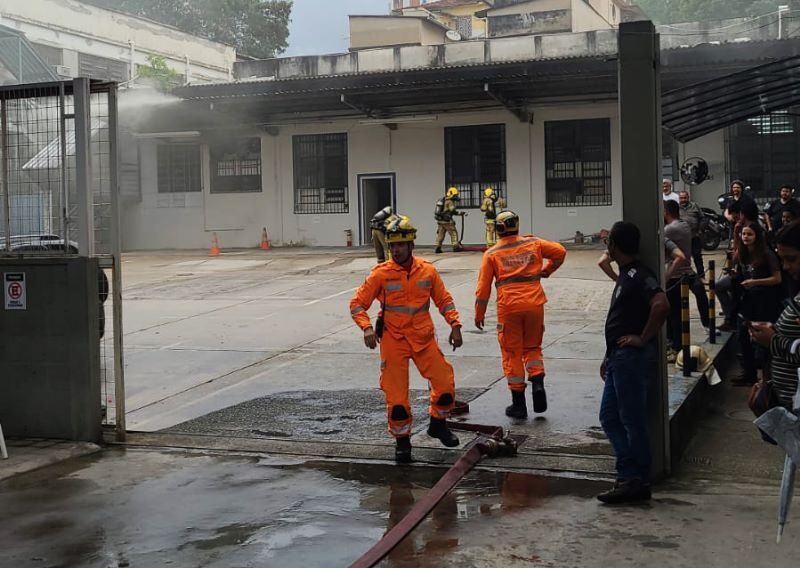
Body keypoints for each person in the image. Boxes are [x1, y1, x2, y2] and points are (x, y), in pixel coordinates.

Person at [350, 215, 463, 463]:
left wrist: (455, 324)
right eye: (393, 246)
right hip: (394, 340)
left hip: (423, 337)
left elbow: (444, 300)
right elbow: (358, 304)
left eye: (401, 245)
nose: (396, 250)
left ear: (411, 245)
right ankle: (402, 442)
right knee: (397, 398)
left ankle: (438, 425)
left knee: (445, 386)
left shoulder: (428, 271)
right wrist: (367, 328)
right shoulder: (380, 274)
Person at [597, 221, 669, 504]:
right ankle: (628, 474)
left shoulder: (639, 275)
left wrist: (642, 337)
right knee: (610, 417)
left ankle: (636, 479)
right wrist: (608, 354)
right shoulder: (625, 276)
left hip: (630, 359)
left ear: (615, 245)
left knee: (630, 418)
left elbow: (661, 305)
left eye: (609, 243)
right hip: (617, 357)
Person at [474, 211, 567, 418]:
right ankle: (538, 385)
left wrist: (479, 313)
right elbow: (560, 252)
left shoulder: (492, 254)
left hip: (509, 308)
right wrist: (547, 270)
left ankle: (519, 405)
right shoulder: (533, 243)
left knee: (512, 352)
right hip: (535, 304)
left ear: (498, 229)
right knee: (533, 347)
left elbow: (483, 289)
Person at [751, 221, 800, 405]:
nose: (786, 267)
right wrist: (775, 331)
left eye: (792, 259)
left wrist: (773, 341)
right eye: (783, 260)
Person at [729, 221, 783, 385]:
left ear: (757, 236)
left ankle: (768, 378)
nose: (746, 237)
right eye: (743, 234)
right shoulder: (741, 253)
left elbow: (777, 278)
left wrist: (755, 282)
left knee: (762, 341)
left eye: (749, 234)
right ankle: (749, 373)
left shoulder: (766, 254)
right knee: (743, 335)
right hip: (747, 300)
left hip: (764, 301)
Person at [663, 199, 709, 360]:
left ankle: (677, 347)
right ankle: (675, 344)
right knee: (676, 313)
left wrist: (666, 276)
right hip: (687, 272)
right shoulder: (684, 225)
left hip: (675, 275)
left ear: (665, 212)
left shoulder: (669, 229)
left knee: (674, 314)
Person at [678, 189, 705, 278]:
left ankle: (701, 277)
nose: (683, 200)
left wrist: (700, 230)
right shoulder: (676, 208)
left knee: (697, 257)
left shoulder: (695, 206)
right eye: (681, 198)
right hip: (682, 239)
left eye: (684, 198)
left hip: (694, 237)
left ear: (688, 197)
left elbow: (703, 218)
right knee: (683, 259)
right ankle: (684, 278)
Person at [434, 187, 464, 254]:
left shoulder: (444, 200)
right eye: (455, 195)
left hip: (440, 221)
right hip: (447, 221)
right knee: (453, 233)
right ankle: (455, 247)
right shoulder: (449, 201)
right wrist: (459, 213)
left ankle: (438, 247)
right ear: (452, 194)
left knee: (440, 235)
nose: (456, 197)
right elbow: (452, 210)